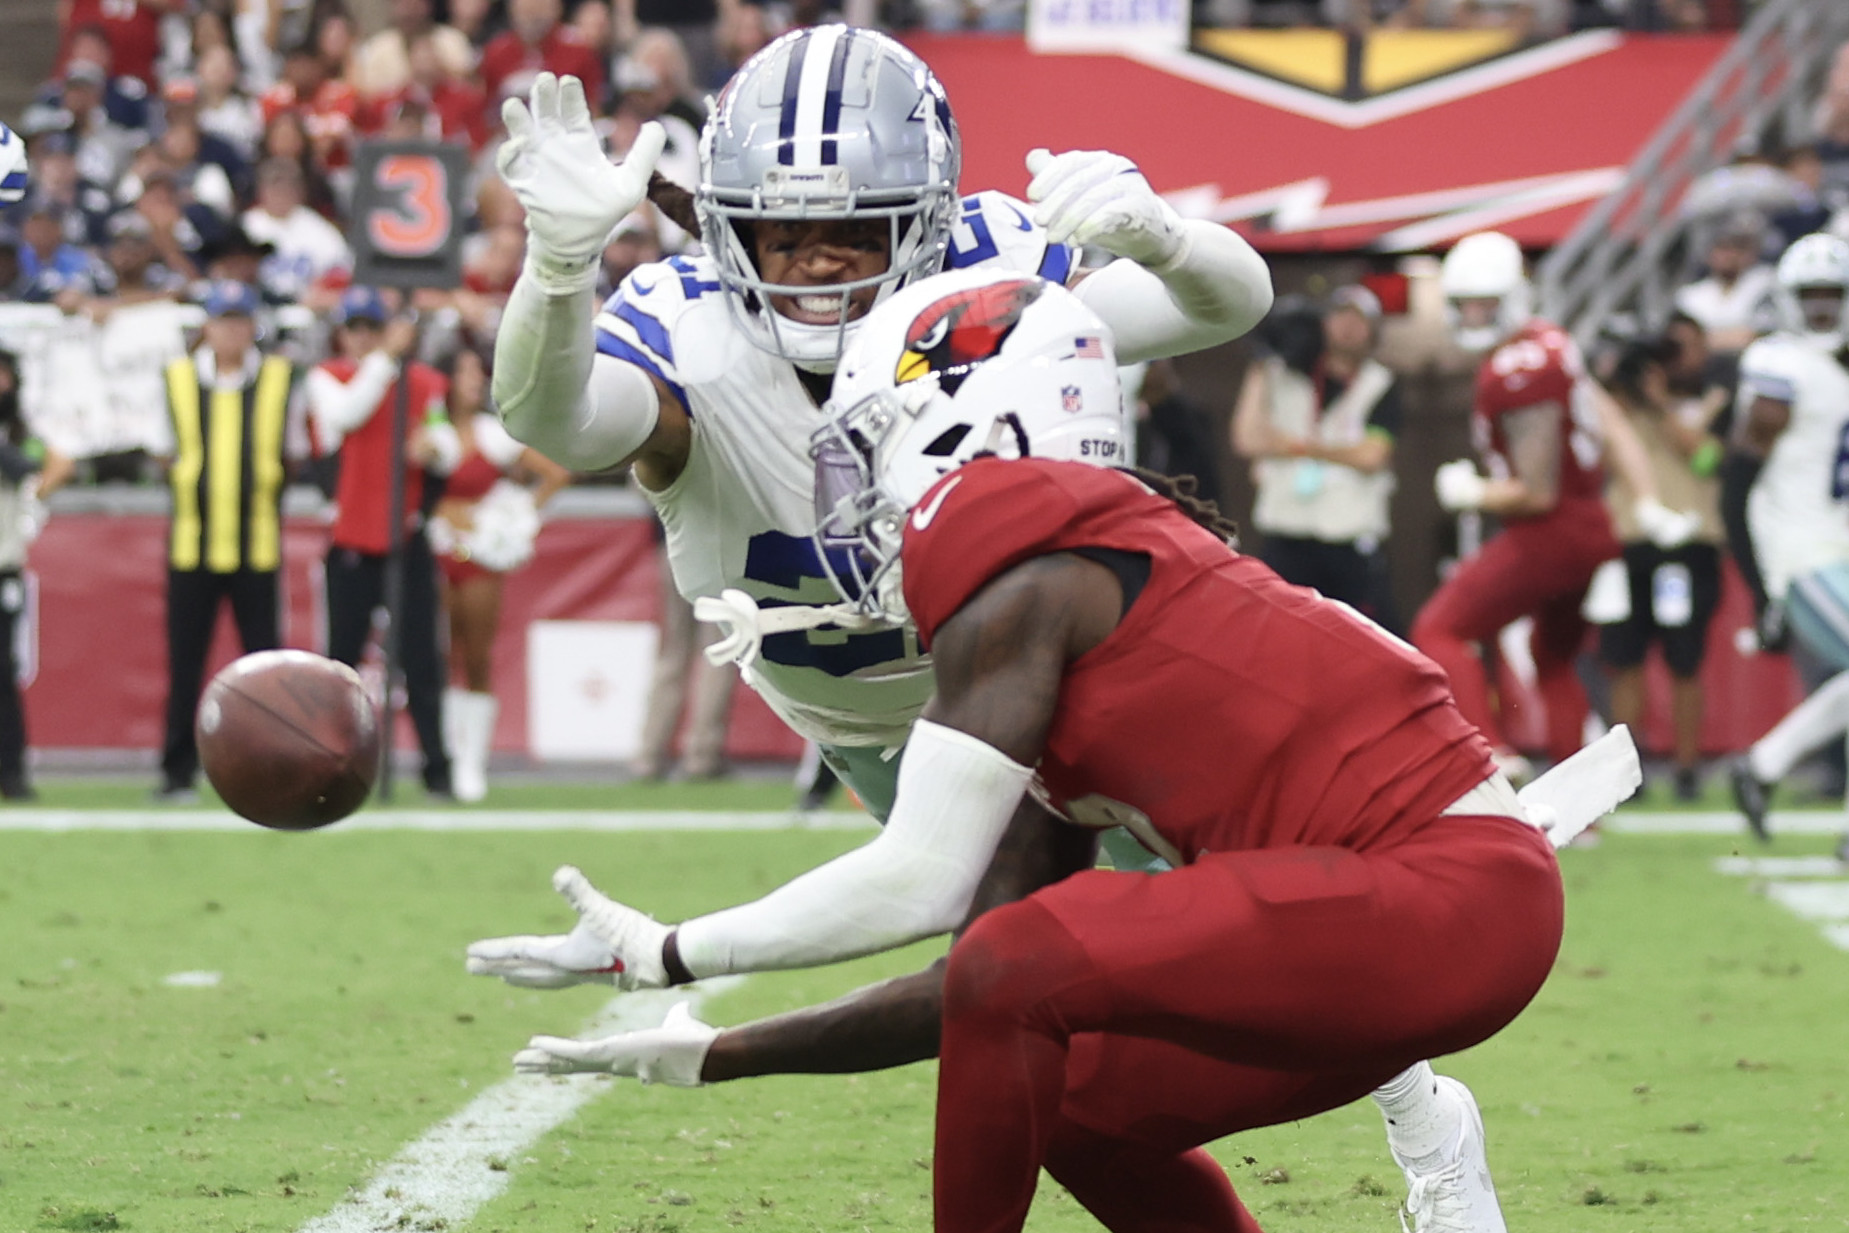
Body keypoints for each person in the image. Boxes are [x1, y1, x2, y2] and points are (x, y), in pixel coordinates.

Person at [471, 272, 1613, 1233]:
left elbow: (928, 887)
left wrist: (668, 953)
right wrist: (709, 1054)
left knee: (1023, 962)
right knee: (1077, 1109)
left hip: (1449, 898)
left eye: (879, 437)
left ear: (982, 416)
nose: (864, 485)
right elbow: (966, 987)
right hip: (1414, 928)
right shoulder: (1078, 599)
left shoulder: (1028, 568)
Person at [1412, 230, 1698, 777]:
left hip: (1552, 531)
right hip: (1591, 525)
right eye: (1465, 305)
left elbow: (1536, 491)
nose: (1474, 316)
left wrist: (1475, 491)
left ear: (1513, 297)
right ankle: (1580, 808)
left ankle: (1491, 754)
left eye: (1486, 305)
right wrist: (1646, 500)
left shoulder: (1519, 368)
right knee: (1555, 660)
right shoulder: (1553, 343)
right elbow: (1612, 425)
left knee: (1439, 630)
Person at [1722, 233, 1849, 851]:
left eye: (1834, 294)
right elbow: (1735, 482)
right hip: (1802, 554)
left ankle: (1764, 764)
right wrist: (1759, 587)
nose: (1823, 308)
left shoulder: (1835, 367)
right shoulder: (1782, 364)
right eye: (1812, 295)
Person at [306, 285, 459, 799]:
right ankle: (335, 766)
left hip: (405, 534)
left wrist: (433, 448)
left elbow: (447, 444)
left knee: (422, 661)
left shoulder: (422, 384)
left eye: (373, 329)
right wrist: (385, 359)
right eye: (356, 329)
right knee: (342, 663)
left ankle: (438, 770)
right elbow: (348, 415)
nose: (364, 339)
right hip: (352, 537)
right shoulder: (328, 379)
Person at [153, 280, 296, 801]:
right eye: (223, 320)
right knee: (185, 666)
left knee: (265, 672)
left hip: (257, 546)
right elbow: (161, 450)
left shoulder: (279, 378)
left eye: (240, 321)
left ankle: (274, 771)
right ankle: (175, 772)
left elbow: (295, 448)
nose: (231, 331)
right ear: (207, 326)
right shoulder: (178, 379)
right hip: (192, 546)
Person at [426, 348, 571, 802]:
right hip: (433, 551)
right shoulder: (429, 433)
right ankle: (446, 754)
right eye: (464, 372)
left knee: (475, 655)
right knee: (437, 655)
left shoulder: (493, 435)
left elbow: (554, 474)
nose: (473, 380)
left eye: (477, 373)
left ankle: (473, 762)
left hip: (478, 557)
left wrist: (511, 517)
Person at [1595, 338, 1725, 802]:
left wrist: (1661, 405)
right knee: (1625, 661)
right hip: (1626, 545)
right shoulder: (1612, 415)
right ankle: (1629, 774)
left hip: (1684, 548)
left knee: (1683, 661)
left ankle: (1687, 768)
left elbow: (1708, 458)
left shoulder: (1706, 404)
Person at [1232, 284, 1401, 626]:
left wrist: (1292, 446)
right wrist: (1261, 361)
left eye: (1359, 320)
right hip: (1286, 536)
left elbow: (1372, 455)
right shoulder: (1284, 375)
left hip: (1348, 541)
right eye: (1340, 316)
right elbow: (1247, 438)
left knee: (1365, 636)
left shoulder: (1380, 383)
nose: (1347, 327)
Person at [0, 350, 72, 801]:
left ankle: (11, 772)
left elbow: (53, 465)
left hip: (2, 566)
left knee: (2, 675)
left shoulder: (21, 434)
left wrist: (34, 497)